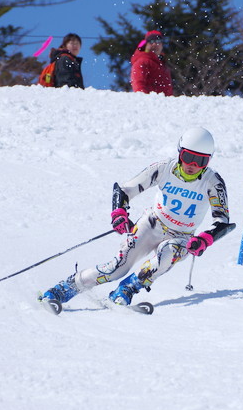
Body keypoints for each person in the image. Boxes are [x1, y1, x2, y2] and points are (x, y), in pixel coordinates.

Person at [39, 127, 231, 309]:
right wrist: (119, 213)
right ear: (180, 152)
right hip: (152, 224)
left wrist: (204, 240)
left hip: (183, 236)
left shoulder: (213, 182)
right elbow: (124, 190)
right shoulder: (164, 168)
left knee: (168, 253)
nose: (193, 165)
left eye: (201, 161)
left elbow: (222, 222)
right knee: (117, 268)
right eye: (188, 157)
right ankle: (62, 289)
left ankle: (126, 290)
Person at [130, 30, 173, 96]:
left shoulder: (163, 65)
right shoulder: (142, 61)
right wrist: (145, 100)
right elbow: (138, 83)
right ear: (146, 45)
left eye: (158, 41)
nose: (154, 44)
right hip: (150, 102)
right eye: (151, 41)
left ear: (162, 45)